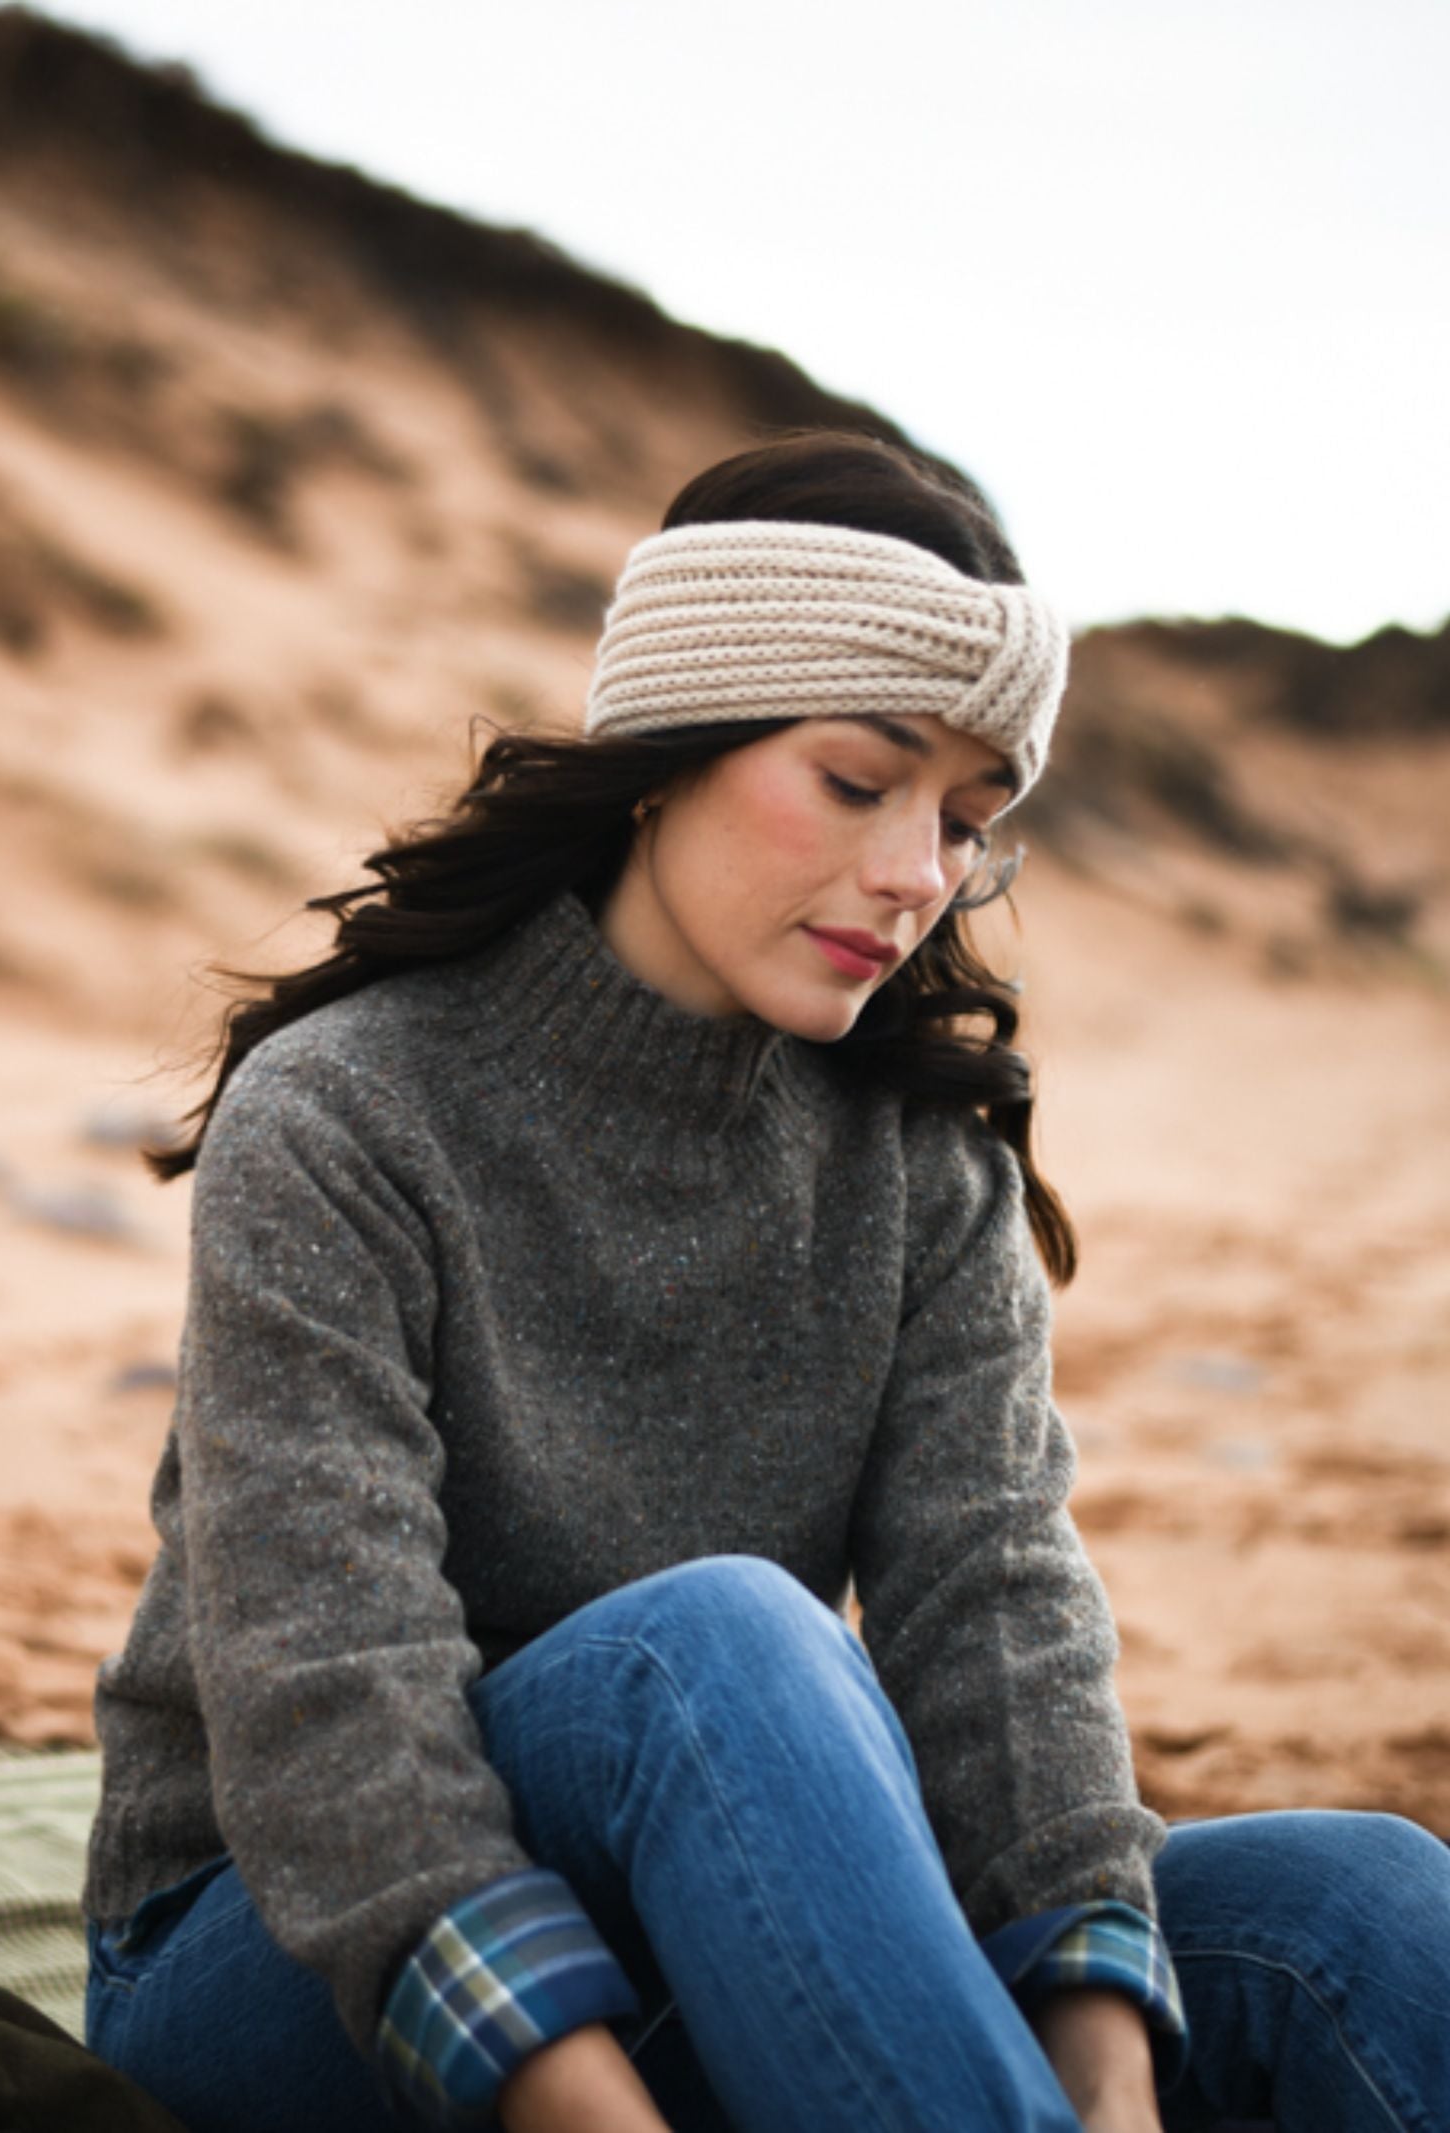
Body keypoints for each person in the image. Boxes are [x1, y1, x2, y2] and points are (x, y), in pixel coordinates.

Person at [81, 430, 1450, 2133]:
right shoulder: (349, 1110)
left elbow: (993, 1613)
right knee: (717, 1644)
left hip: (734, 1892)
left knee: (1364, 1906)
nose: (915, 875)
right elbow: (329, 1696)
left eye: (967, 818)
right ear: (672, 746)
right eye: (860, 780)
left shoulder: (917, 1160)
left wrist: (1110, 2082)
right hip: (286, 1955)